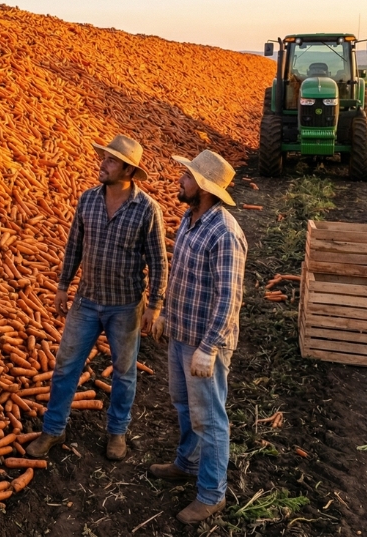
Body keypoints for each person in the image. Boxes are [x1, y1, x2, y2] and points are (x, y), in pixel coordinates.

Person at [25, 135, 167, 461]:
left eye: (111, 161)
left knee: (124, 371)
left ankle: (117, 432)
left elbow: (159, 262)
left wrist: (155, 305)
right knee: (65, 367)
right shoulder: (88, 200)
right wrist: (62, 285)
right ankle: (53, 429)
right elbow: (74, 245)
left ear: (128, 170)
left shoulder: (147, 210)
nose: (102, 164)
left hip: (126, 306)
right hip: (86, 300)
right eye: (104, 158)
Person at [148, 150, 247, 525]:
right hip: (181, 333)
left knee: (210, 419)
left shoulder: (225, 232)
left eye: (187, 176)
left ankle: (211, 494)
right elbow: (181, 278)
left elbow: (229, 297)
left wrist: (208, 348)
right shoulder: (190, 220)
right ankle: (187, 463)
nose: (181, 180)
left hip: (205, 343)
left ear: (203, 188)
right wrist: (166, 316)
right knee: (182, 405)